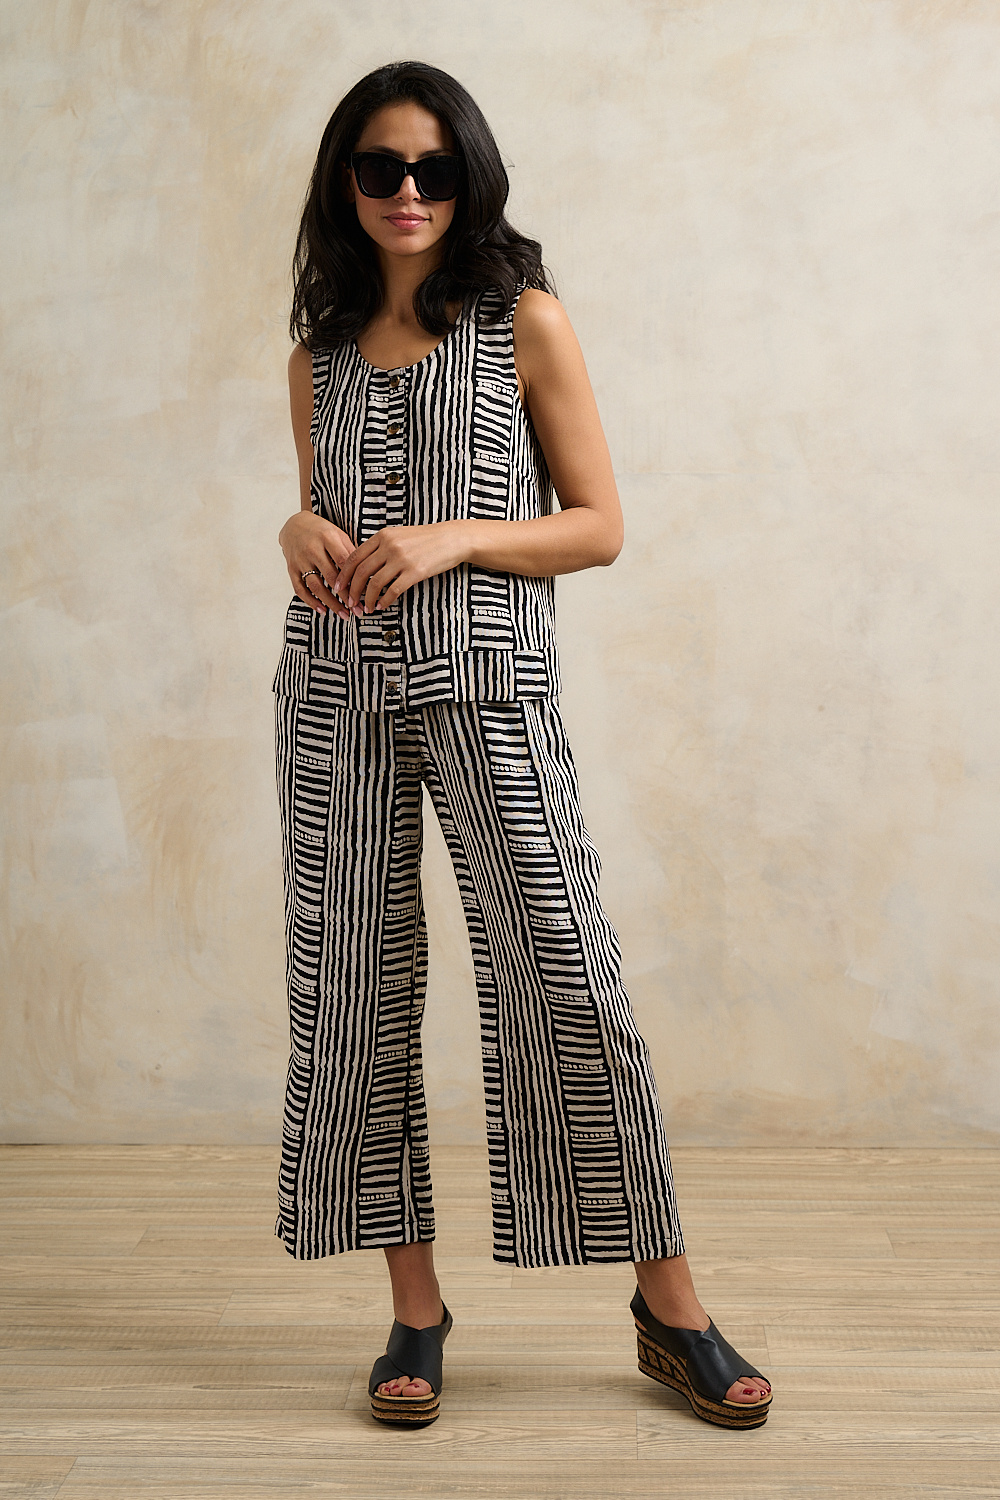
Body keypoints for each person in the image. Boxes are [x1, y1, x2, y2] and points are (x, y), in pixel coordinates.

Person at [273, 59, 772, 1432]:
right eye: (382, 168)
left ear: (470, 179)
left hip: (490, 688)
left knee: (567, 975)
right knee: (353, 993)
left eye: (434, 169)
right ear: (346, 184)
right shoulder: (318, 355)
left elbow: (599, 525)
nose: (409, 192)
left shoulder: (523, 323)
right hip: (334, 697)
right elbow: (322, 515)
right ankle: (414, 1311)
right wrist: (294, 527)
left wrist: (453, 539)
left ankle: (670, 1307)